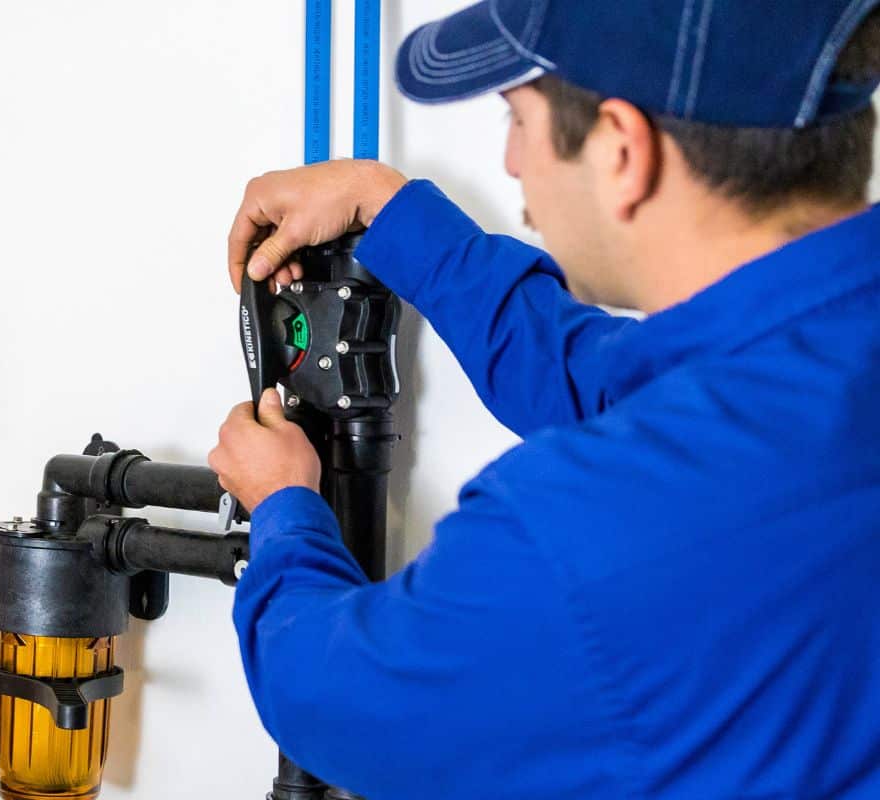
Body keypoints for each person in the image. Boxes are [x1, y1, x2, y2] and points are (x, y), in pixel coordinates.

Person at [208, 1, 880, 797]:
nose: (514, 162)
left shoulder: (582, 533)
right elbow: (608, 380)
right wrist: (387, 208)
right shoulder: (803, 363)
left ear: (623, 151)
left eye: (517, 119)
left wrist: (284, 507)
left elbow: (337, 698)